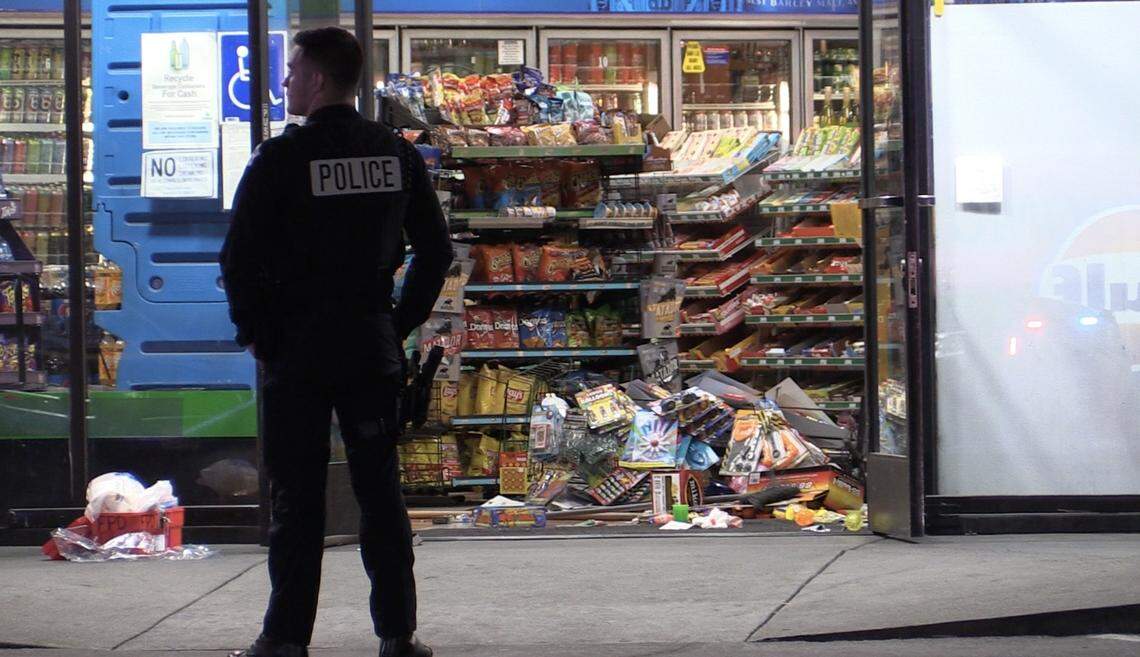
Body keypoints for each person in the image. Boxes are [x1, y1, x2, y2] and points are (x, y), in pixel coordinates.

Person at [220, 26, 452, 657]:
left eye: (293, 70)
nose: (287, 80)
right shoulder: (395, 154)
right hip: (367, 345)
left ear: (318, 78)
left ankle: (285, 639)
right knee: (381, 494)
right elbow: (436, 251)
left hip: (297, 352)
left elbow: (238, 259)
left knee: (297, 497)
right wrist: (397, 325)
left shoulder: (281, 159)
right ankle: (398, 636)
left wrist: (260, 335)